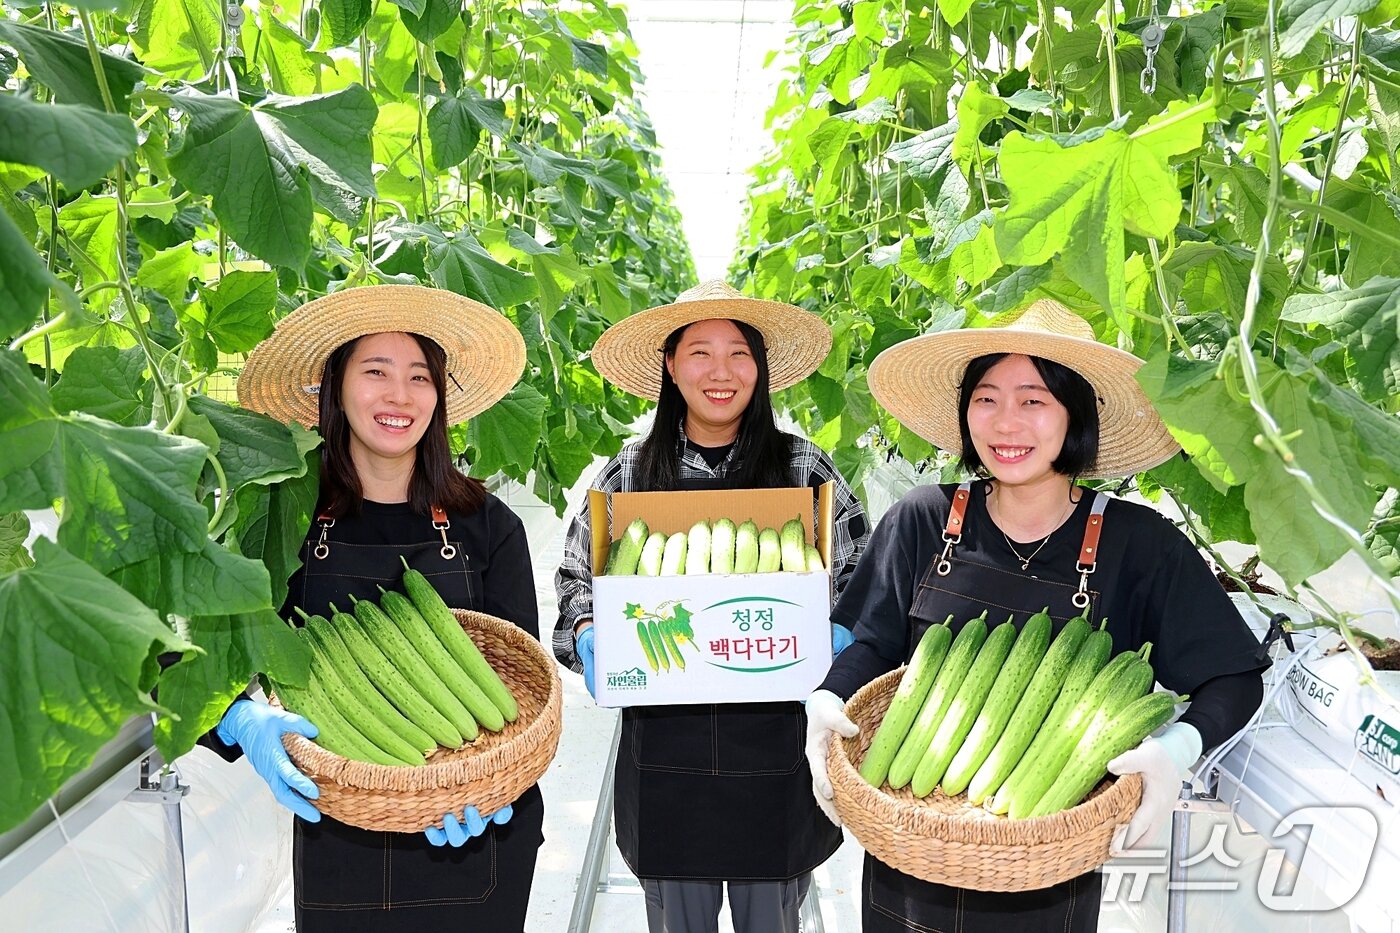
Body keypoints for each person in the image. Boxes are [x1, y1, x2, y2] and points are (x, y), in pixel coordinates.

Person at [803, 299, 1268, 932]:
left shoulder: (1140, 544)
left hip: (1051, 877)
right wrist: (828, 697)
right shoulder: (921, 519)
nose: (1005, 423)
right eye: (986, 398)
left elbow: (1233, 676)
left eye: (1033, 400)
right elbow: (873, 644)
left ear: (1074, 416)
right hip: (912, 857)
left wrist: (1179, 747)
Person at [211, 284, 543, 931]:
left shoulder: (487, 527)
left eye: (420, 376)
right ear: (336, 388)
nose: (400, 394)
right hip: (344, 850)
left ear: (440, 397)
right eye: (376, 372)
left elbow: (521, 695)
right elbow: (185, 650)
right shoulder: (281, 519)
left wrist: (500, 782)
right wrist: (239, 715)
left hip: (479, 841)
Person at [553, 280, 872, 933]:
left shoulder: (804, 468)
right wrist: (588, 628)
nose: (720, 372)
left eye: (739, 353)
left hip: (777, 757)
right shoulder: (629, 474)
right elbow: (575, 578)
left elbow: (861, 573)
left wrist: (842, 627)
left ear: (761, 367)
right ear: (671, 365)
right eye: (700, 352)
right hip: (667, 765)